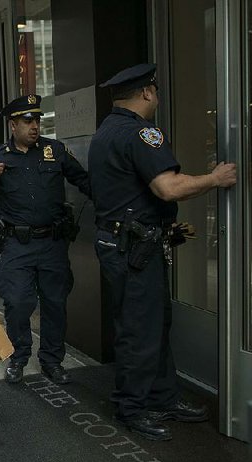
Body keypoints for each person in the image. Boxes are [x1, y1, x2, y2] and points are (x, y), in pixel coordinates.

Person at [88, 64, 237, 441]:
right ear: (148, 93)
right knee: (140, 329)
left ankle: (163, 396)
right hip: (133, 249)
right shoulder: (140, 133)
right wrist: (215, 179)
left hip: (123, 244)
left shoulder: (106, 130)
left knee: (152, 324)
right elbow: (168, 188)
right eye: (155, 90)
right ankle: (132, 407)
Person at [0, 95, 91, 386]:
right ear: (12, 125)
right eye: (27, 121)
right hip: (17, 244)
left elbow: (84, 180)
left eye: (37, 120)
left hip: (52, 242)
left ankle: (52, 361)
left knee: (55, 302)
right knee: (17, 301)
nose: (34, 126)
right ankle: (18, 356)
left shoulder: (55, 150)